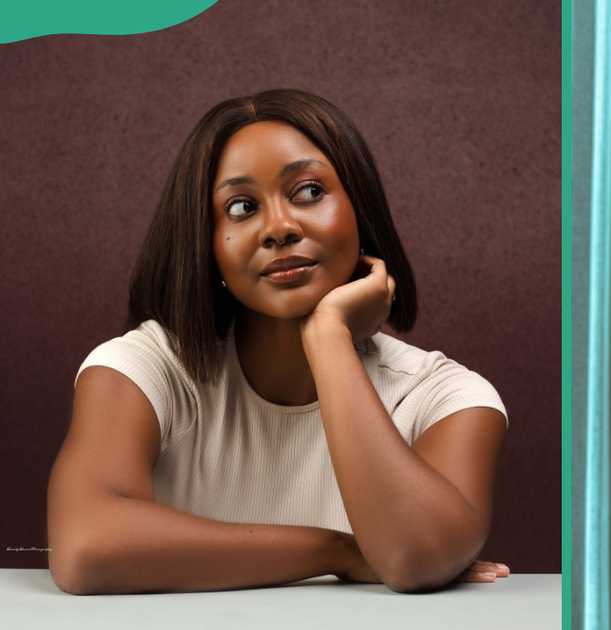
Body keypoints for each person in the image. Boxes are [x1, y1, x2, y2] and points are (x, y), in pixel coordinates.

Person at [47, 89, 510, 595]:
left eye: (309, 192)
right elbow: (85, 549)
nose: (279, 228)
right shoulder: (145, 367)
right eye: (242, 207)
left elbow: (414, 558)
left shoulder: (447, 396)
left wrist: (329, 336)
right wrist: (338, 551)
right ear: (206, 242)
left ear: (361, 209)